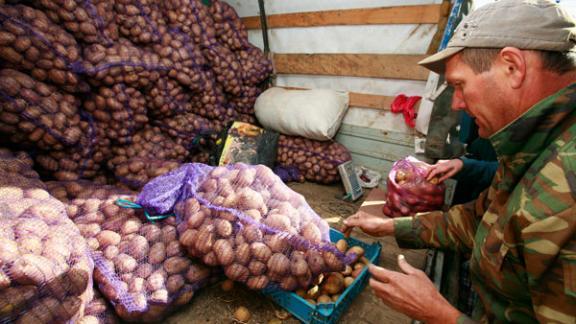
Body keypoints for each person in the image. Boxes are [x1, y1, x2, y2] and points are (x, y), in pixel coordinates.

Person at [342, 0, 576, 323]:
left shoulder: (566, 188)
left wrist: (442, 315)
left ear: (513, 67)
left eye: (459, 85)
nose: (456, 103)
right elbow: (477, 222)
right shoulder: (528, 145)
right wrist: (390, 226)